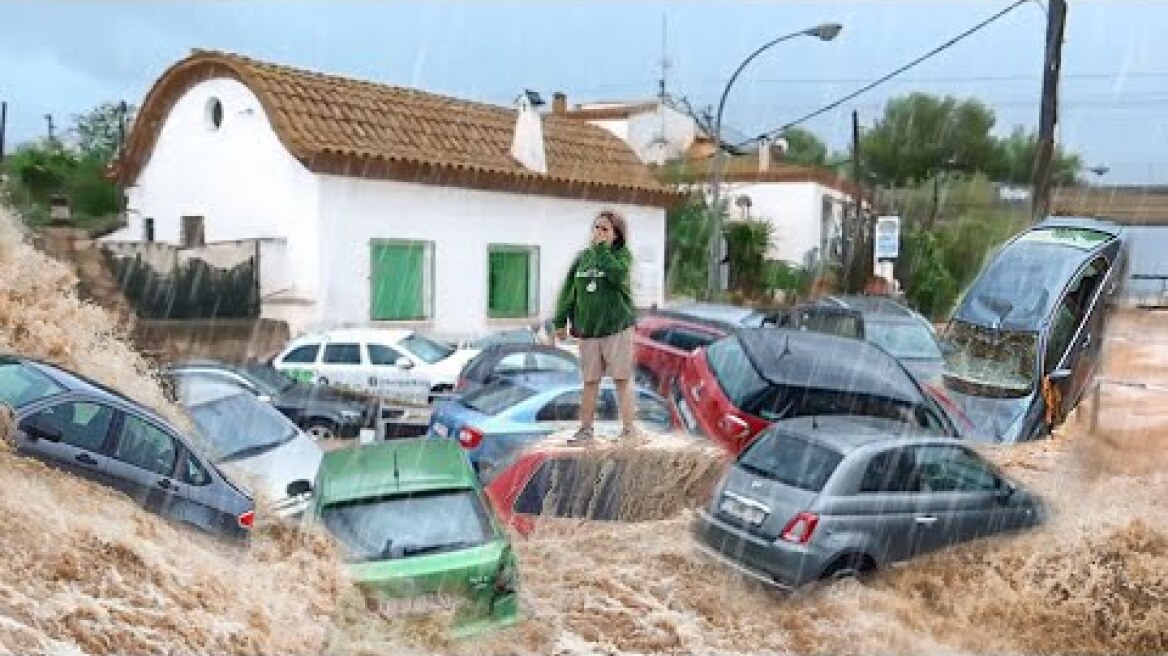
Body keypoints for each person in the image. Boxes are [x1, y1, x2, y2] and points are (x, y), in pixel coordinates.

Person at [552, 209, 638, 443]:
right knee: (590, 382)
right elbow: (568, 292)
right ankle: (585, 430)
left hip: (616, 328)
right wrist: (560, 321)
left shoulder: (622, 256)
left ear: (616, 235)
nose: (599, 233)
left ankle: (630, 430)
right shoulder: (582, 259)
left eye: (605, 229)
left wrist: (602, 251)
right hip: (589, 331)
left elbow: (617, 277)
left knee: (621, 379)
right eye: (596, 228)